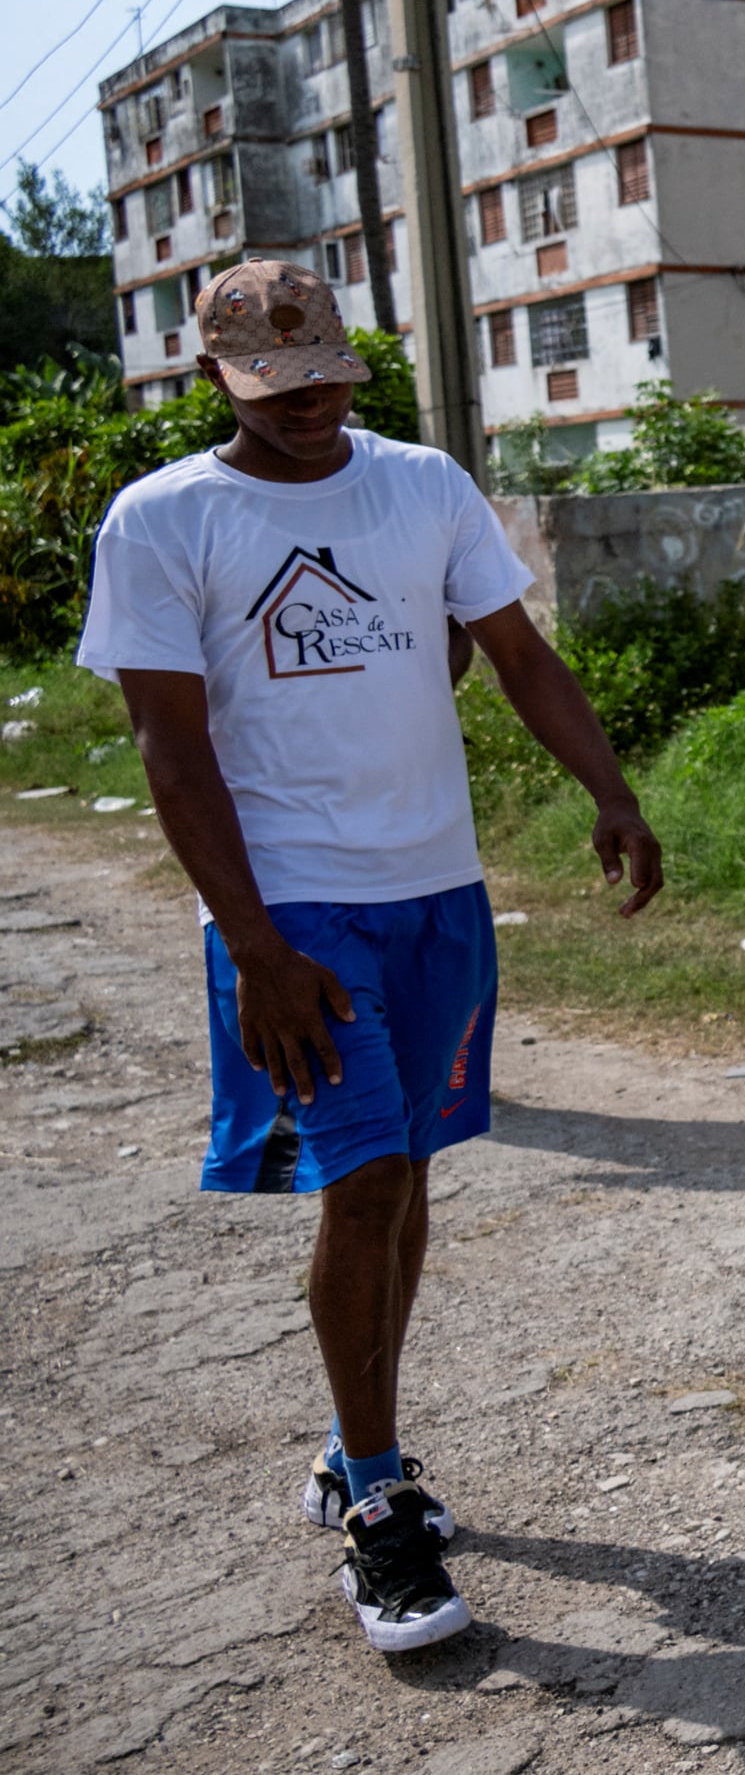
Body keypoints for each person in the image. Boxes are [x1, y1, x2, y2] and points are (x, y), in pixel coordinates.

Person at [82, 260, 664, 1653]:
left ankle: (359, 1448)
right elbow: (172, 748)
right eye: (270, 389)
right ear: (214, 381)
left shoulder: (422, 486)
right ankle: (380, 1505)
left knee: (408, 1187)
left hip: (437, 894)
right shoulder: (166, 520)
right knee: (368, 1179)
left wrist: (612, 788)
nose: (303, 406)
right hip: (293, 907)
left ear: (356, 362)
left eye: (324, 377)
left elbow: (515, 654)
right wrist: (254, 942)